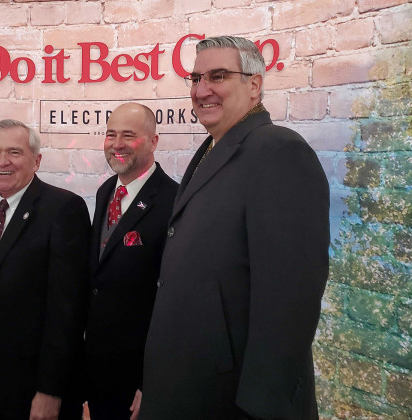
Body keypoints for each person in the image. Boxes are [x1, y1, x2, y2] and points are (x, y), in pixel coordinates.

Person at [140, 36, 330, 419]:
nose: (202, 89)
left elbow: (290, 299)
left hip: (231, 400)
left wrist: (261, 405)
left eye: (218, 76)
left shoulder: (279, 151)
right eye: (195, 78)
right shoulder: (215, 149)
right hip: (189, 386)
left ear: (254, 84)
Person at [0, 119, 90, 420]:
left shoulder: (64, 209)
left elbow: (67, 311)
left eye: (14, 152)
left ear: (36, 160)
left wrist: (51, 391)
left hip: (37, 391)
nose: (2, 162)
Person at [84, 103, 178, 420]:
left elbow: (174, 301)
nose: (117, 144)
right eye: (111, 134)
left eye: (129, 135)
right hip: (98, 371)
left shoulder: (174, 201)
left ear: (153, 141)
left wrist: (151, 380)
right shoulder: (105, 192)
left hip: (138, 380)